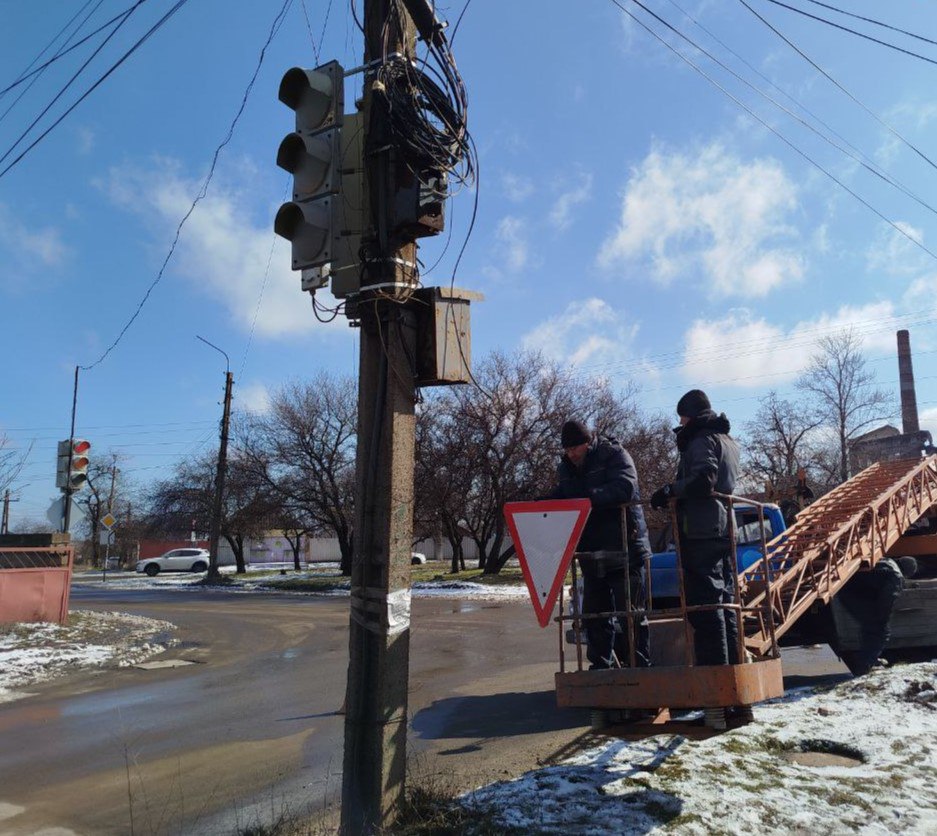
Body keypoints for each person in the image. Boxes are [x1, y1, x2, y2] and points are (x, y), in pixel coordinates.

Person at [650, 389, 745, 729]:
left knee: (707, 612)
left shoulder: (703, 439)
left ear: (692, 415)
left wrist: (670, 491)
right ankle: (735, 694)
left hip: (702, 530)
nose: (681, 424)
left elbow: (703, 479)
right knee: (726, 608)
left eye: (682, 418)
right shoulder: (727, 440)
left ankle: (716, 697)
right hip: (722, 529)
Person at [550, 419, 651, 669]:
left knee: (632, 614)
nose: (571, 454)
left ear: (588, 442)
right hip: (591, 551)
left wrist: (588, 499)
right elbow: (565, 494)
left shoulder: (614, 454)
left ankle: (640, 668)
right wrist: (542, 502)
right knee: (595, 615)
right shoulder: (566, 467)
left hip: (626, 547)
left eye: (575, 448)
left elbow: (625, 487)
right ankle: (600, 669)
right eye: (567, 450)